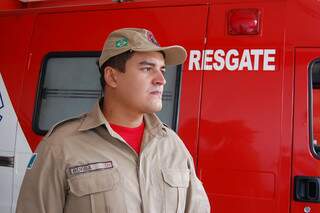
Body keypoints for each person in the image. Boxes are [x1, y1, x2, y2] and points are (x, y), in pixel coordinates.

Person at [16, 28, 210, 213]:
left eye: (162, 70)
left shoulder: (173, 147)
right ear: (112, 76)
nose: (161, 80)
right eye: (147, 68)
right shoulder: (60, 147)